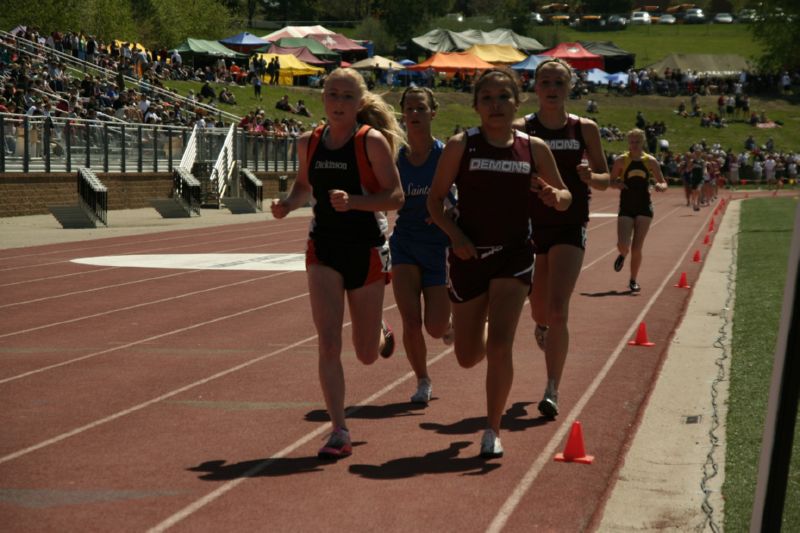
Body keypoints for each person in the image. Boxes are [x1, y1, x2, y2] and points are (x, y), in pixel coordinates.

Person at [427, 68, 571, 458]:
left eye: (504, 97)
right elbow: (434, 201)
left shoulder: (533, 147)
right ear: (476, 106)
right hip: (469, 257)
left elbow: (565, 195)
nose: (496, 105)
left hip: (514, 255)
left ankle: (492, 429)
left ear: (517, 102)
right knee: (468, 356)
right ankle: (472, 326)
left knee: (503, 345)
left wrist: (555, 197)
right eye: (487, 98)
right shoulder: (462, 145)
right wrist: (455, 237)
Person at [270, 68, 405, 460]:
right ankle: (339, 430)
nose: (339, 103)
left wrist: (357, 202)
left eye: (347, 96)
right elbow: (303, 187)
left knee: (364, 352)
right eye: (332, 94)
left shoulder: (372, 142)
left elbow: (395, 197)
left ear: (359, 103)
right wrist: (287, 204)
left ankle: (379, 330)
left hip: (366, 248)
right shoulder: (308, 142)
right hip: (324, 248)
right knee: (328, 341)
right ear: (322, 98)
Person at [512, 58, 610, 419]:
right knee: (539, 310)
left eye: (558, 83)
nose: (552, 89)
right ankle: (541, 327)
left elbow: (604, 179)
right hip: (532, 225)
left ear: (569, 88)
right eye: (546, 82)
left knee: (558, 308)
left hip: (570, 223)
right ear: (535, 88)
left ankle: (552, 388)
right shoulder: (522, 128)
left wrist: (589, 177)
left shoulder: (585, 128)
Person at [390, 87, 453, 405]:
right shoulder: (396, 155)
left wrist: (446, 212)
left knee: (435, 326)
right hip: (404, 243)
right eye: (409, 108)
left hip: (437, 246)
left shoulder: (445, 155)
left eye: (421, 108)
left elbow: (459, 201)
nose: (414, 114)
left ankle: (448, 322)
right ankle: (423, 380)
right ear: (402, 113)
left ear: (433, 113)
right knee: (410, 320)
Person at [610, 129, 668, 292]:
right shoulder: (621, 160)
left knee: (637, 247)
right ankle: (622, 254)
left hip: (644, 207)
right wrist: (617, 184)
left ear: (642, 142)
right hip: (626, 206)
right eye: (631, 142)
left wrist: (660, 186)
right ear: (628, 143)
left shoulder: (650, 161)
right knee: (623, 244)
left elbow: (663, 182)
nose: (634, 145)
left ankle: (633, 280)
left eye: (637, 142)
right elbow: (611, 180)